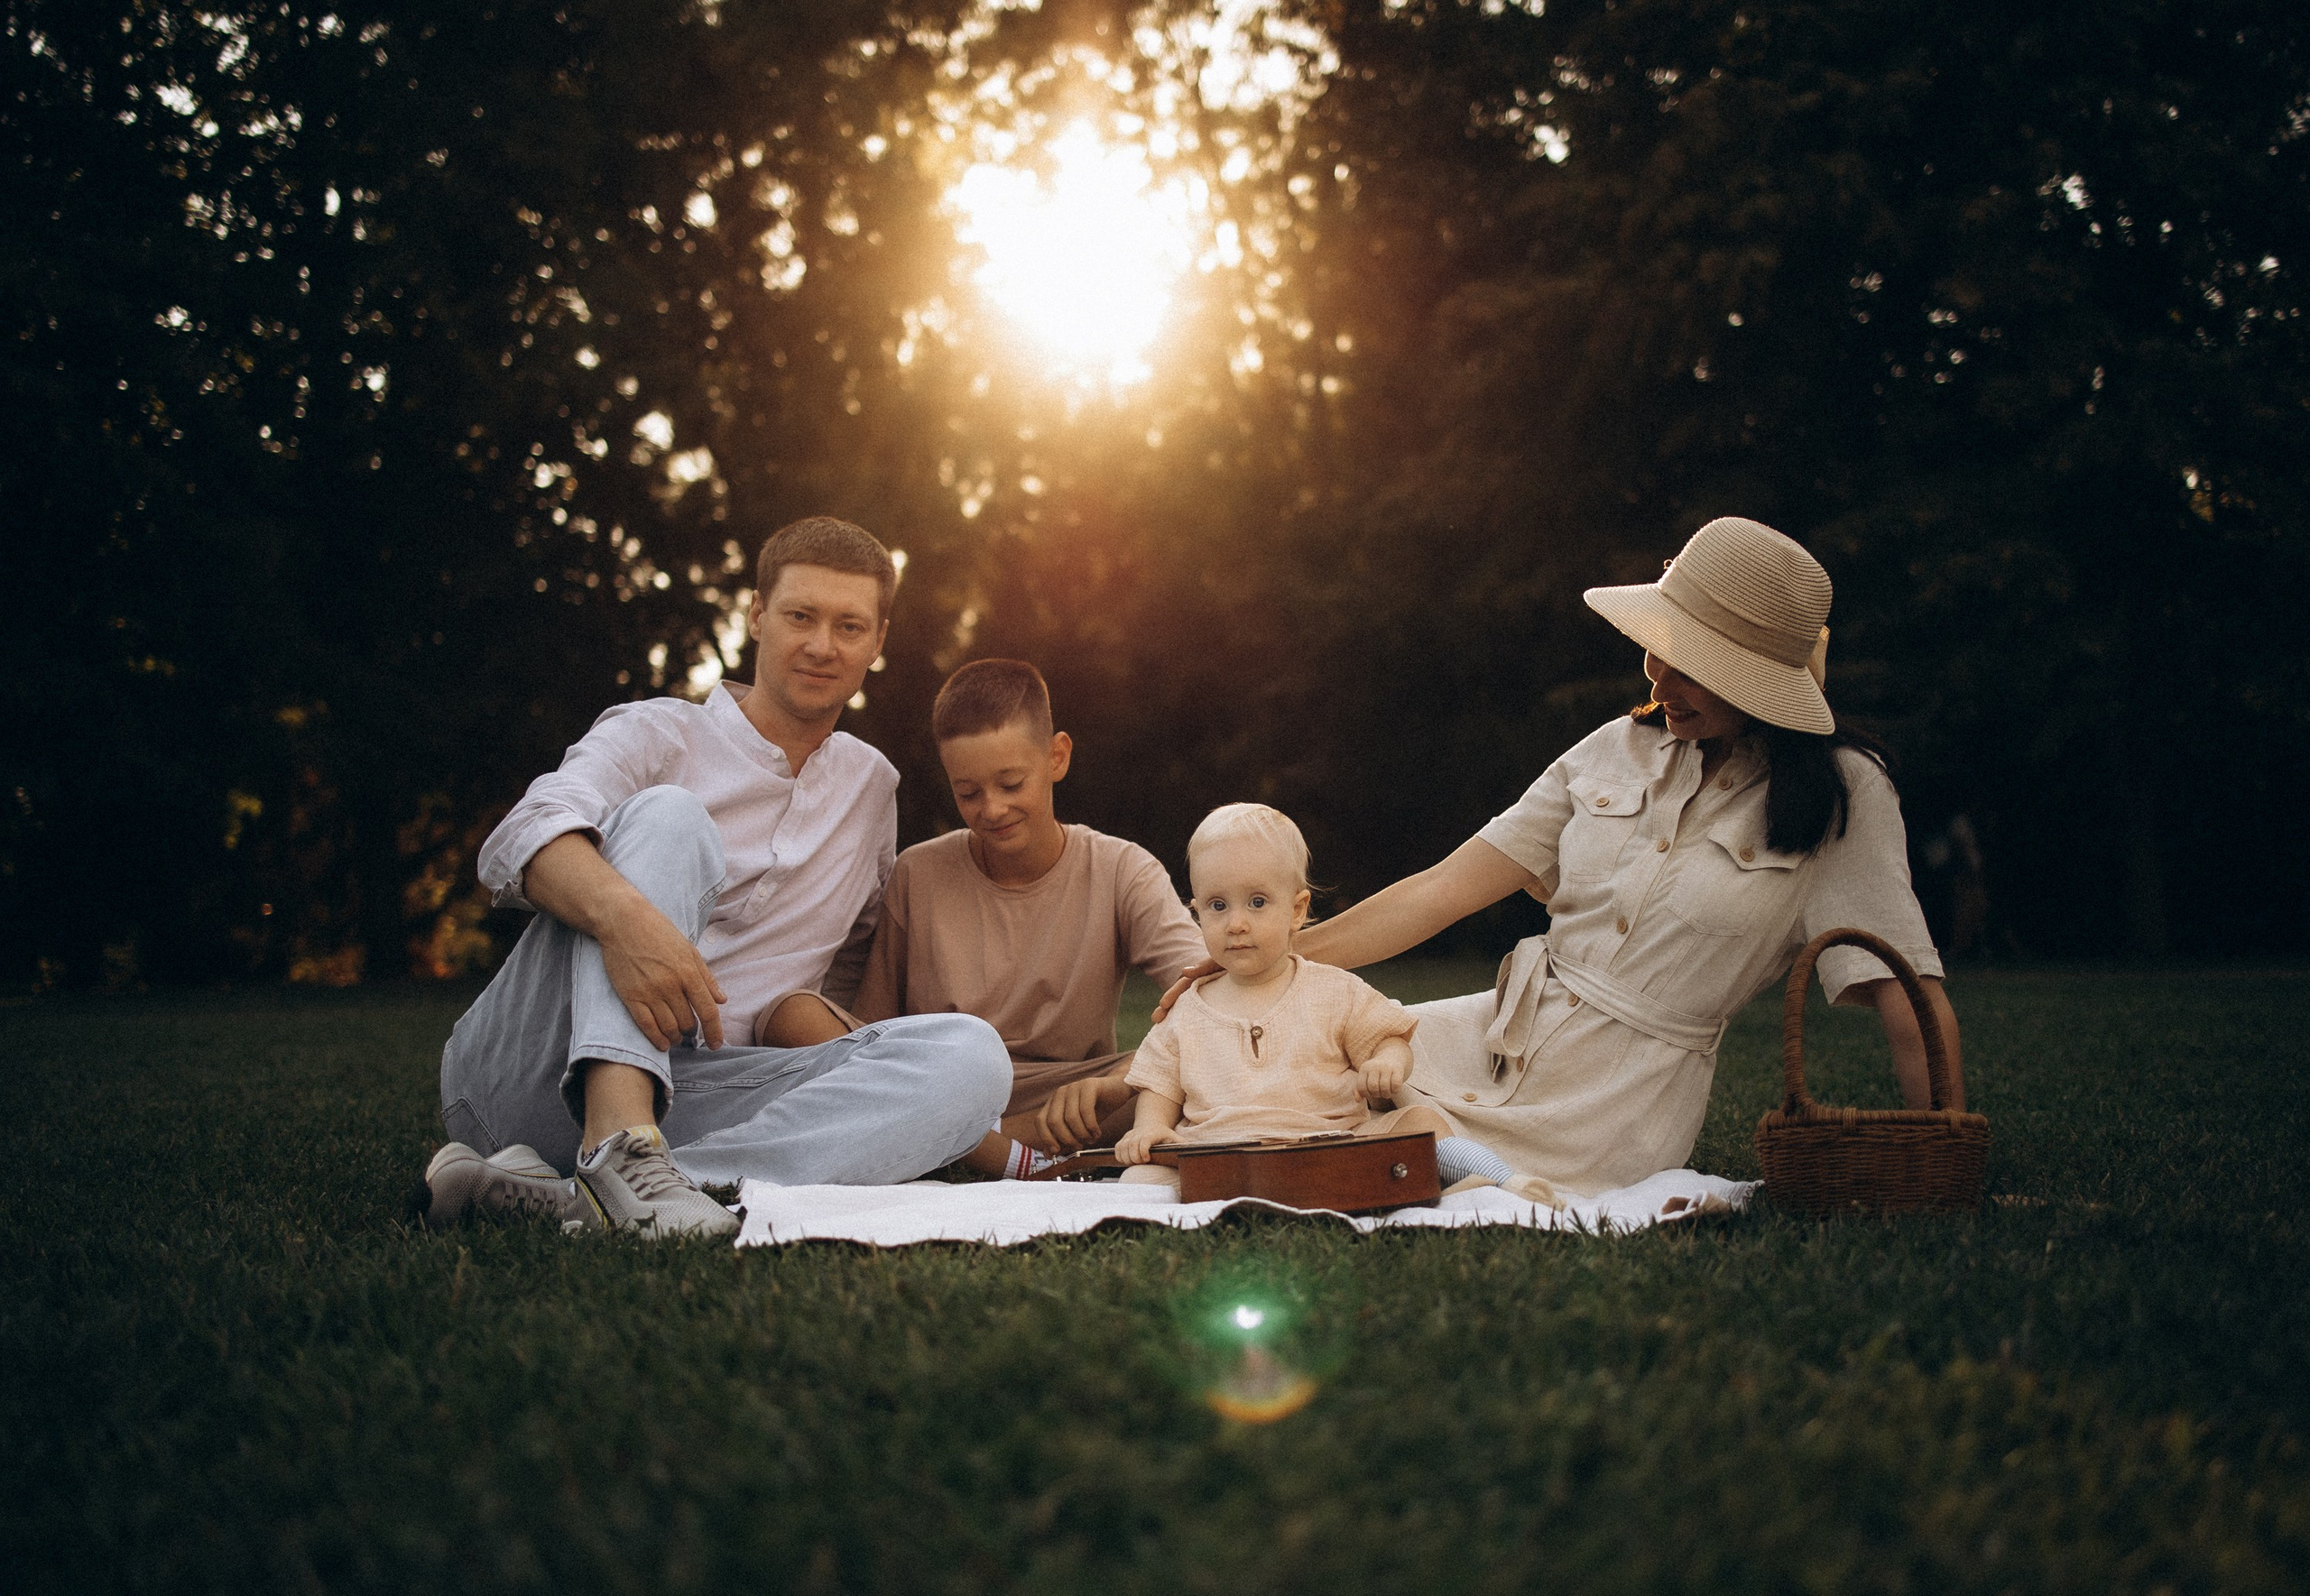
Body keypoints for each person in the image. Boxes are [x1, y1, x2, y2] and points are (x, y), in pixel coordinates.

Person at [1156, 516, 1964, 1198]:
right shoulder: (1616, 748)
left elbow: (1907, 991)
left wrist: (1950, 1162)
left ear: (1760, 680)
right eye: (1659, 646)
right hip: (1501, 1028)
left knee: (1313, 1115)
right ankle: (1048, 1119)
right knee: (1231, 1050)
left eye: (1694, 665)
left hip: (1610, 1104)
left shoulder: (1842, 795)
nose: (1658, 675)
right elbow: (1441, 891)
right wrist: (1269, 960)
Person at [416, 517, 1010, 1238]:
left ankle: (621, 1190)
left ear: (878, 641)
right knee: (671, 818)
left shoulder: (870, 786)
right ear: (758, 615)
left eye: (850, 626)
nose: (823, 645)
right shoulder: (657, 732)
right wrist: (628, 922)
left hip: (701, 1092)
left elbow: (847, 970)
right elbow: (519, 838)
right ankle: (616, 1144)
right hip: (531, 1066)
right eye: (801, 616)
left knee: (973, 1058)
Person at [760, 659, 1206, 1178]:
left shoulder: (1122, 869)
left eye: (1011, 783)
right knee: (790, 1016)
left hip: (1068, 1107)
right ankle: (1008, 1160)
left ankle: (962, 1151)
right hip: (939, 1087)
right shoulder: (917, 872)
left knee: (1196, 1069)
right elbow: (871, 1040)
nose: (991, 809)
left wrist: (1119, 1082)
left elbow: (1206, 997)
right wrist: (917, 1092)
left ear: (1056, 757)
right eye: (968, 793)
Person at [1120, 803, 1554, 1204]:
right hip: (1220, 1154)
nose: (1236, 923)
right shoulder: (1188, 1009)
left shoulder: (1333, 990)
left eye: (1257, 903)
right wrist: (1151, 1128)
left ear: (1296, 910)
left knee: (1421, 1121)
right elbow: (1159, 1081)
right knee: (1141, 1180)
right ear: (1197, 913)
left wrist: (1387, 1061)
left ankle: (1498, 1182)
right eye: (1217, 906)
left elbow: (1388, 1038)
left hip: (1335, 1145)